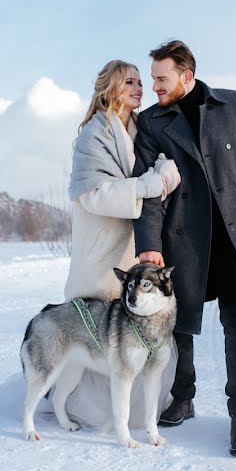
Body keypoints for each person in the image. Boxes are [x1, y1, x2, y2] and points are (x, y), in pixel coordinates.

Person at [133, 40, 236, 457]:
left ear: (186, 76)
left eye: (161, 79)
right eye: (152, 79)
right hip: (184, 238)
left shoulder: (232, 105)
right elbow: (146, 190)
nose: (154, 87)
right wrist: (148, 244)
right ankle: (183, 396)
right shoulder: (151, 123)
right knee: (180, 324)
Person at [61, 59, 181, 431]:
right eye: (130, 82)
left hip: (133, 246)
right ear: (110, 86)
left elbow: (165, 168)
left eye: (141, 82)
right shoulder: (93, 134)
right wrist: (147, 185)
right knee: (98, 329)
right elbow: (92, 194)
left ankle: (141, 412)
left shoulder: (140, 128)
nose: (139, 88)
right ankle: (86, 410)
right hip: (100, 248)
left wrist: (166, 175)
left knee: (141, 328)